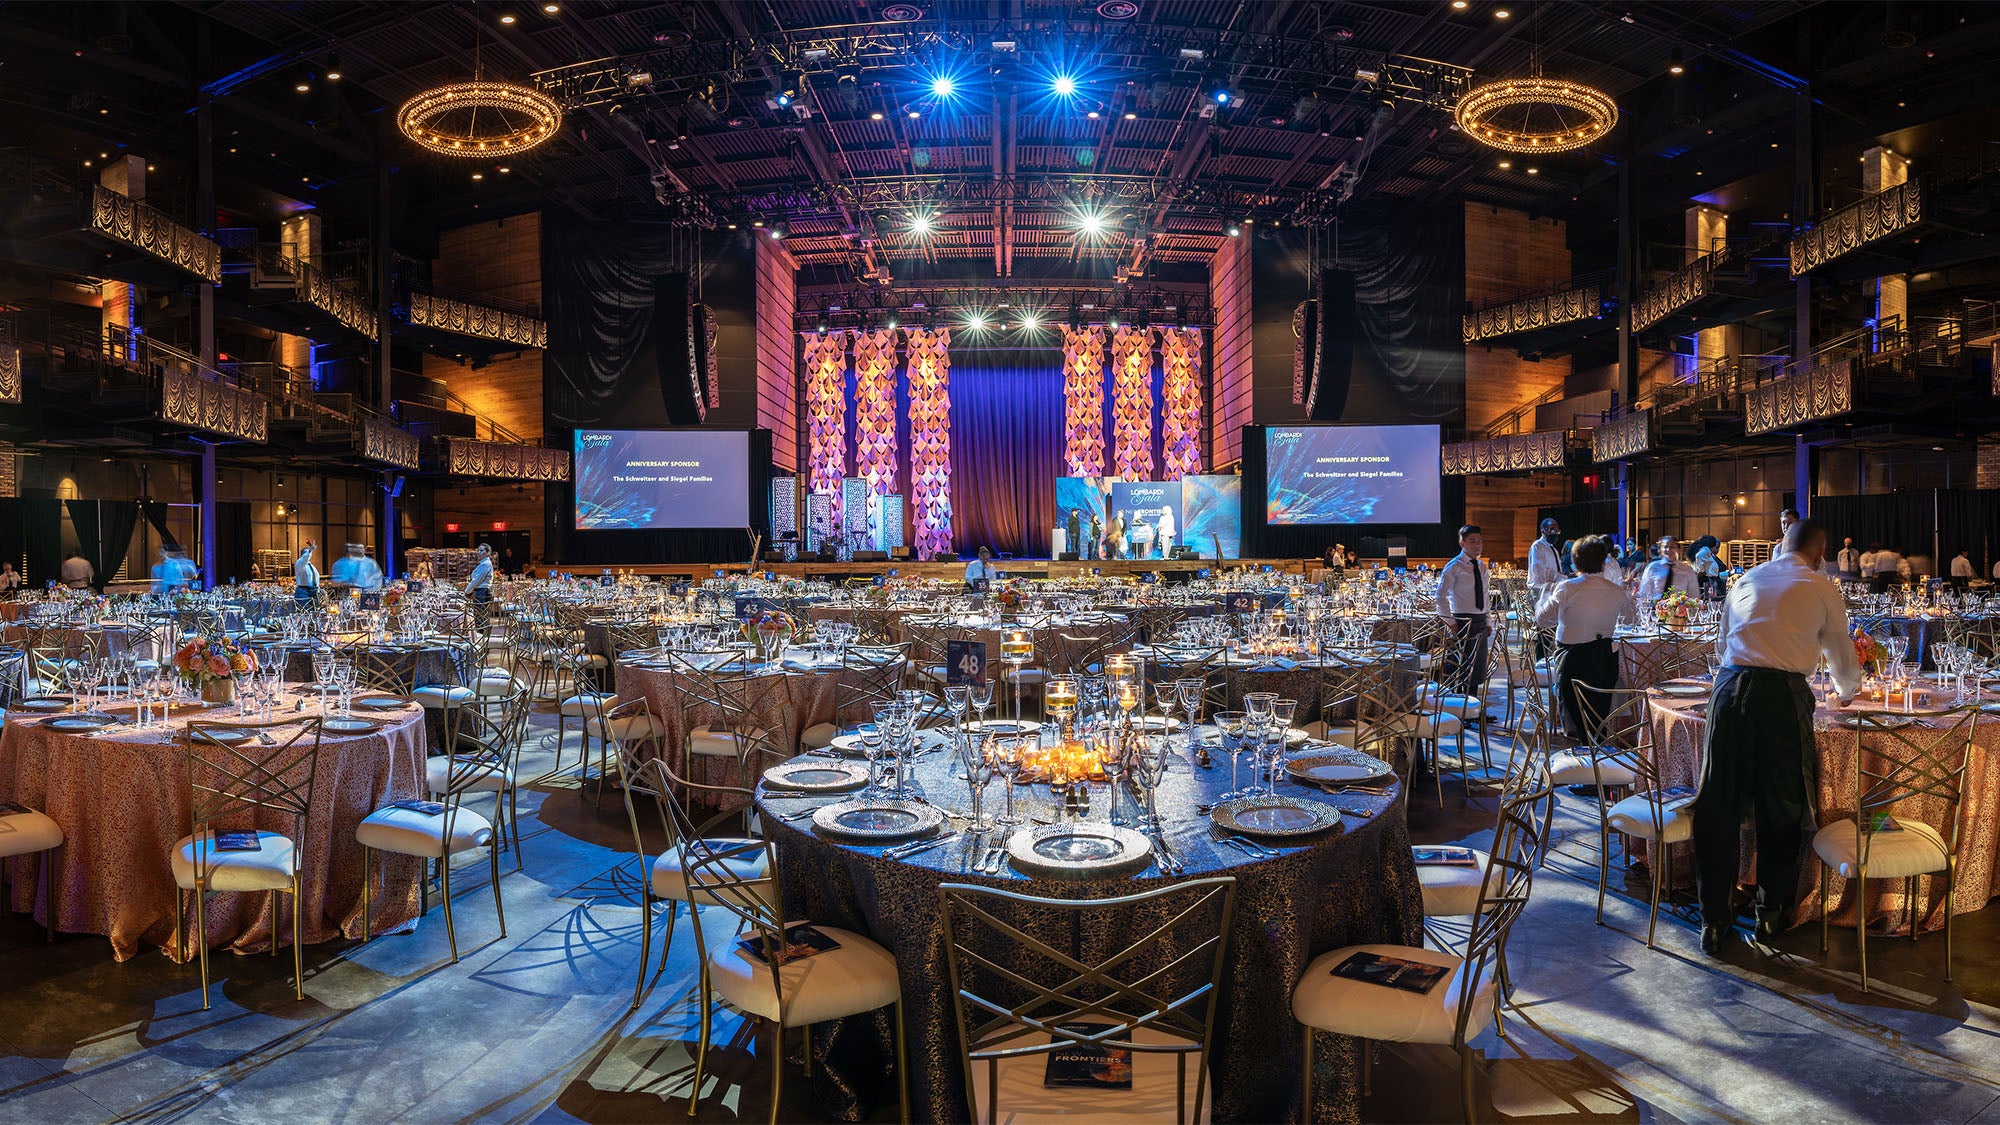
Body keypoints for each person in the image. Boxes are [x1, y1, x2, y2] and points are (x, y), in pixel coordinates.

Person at [1694, 517, 1861, 953]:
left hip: (1728, 690)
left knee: (1719, 805)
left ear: (1781, 545)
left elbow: (1722, 642)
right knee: (1781, 806)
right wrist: (1846, 693)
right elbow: (1841, 656)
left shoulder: (1748, 576)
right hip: (1780, 697)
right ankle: (1769, 916)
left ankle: (1714, 919)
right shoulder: (1823, 587)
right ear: (1820, 554)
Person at [1536, 536, 1637, 740]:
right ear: (1603, 561)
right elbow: (1630, 618)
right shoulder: (1616, 591)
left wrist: (1544, 596)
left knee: (1576, 712)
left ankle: (1580, 749)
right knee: (1598, 711)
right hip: (1605, 659)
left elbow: (1542, 619)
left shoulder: (1567, 587)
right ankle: (1597, 746)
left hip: (1571, 659)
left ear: (1575, 561)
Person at [1435, 525, 1493, 696]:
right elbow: (1440, 597)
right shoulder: (1454, 566)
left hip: (1480, 620)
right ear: (1462, 543)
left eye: (1480, 541)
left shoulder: (1481, 566)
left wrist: (1488, 621)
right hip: (1461, 621)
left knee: (1477, 668)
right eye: (1472, 541)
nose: (1477, 545)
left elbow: (1485, 595)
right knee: (1459, 667)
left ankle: (1472, 707)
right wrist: (1450, 621)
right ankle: (1457, 707)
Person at [1526, 517, 1568, 612]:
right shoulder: (1537, 546)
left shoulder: (1553, 549)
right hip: (1539, 591)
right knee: (1546, 621)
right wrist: (1560, 578)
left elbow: (1557, 570)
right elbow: (1539, 571)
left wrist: (1564, 577)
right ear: (1543, 531)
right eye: (1552, 529)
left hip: (1552, 589)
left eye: (1557, 530)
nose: (1555, 533)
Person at [464, 543, 495, 624]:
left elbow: (477, 581)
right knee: (480, 615)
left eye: (481, 550)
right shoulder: (483, 563)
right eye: (478, 550)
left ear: (488, 553)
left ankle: (480, 634)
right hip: (481, 591)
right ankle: (481, 634)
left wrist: (467, 591)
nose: (479, 552)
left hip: (482, 591)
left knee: (480, 615)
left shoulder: (485, 564)